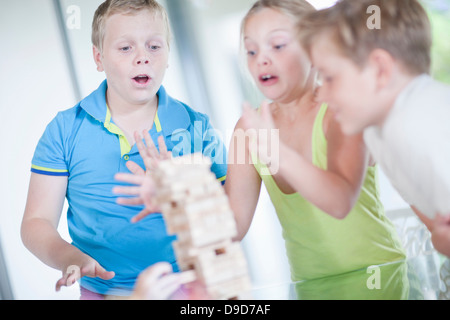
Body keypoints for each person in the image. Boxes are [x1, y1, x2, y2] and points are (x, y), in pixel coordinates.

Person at [117, 0, 406, 288]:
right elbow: (231, 230)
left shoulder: (339, 110)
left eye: (277, 45)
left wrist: (277, 152)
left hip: (381, 277)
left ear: (314, 48)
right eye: (251, 50)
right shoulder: (249, 128)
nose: (261, 60)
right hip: (309, 287)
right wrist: (174, 196)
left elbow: (340, 202)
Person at [21, 0, 227, 299]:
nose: (142, 57)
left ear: (168, 54)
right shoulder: (64, 130)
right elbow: (36, 221)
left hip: (188, 286)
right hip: (102, 291)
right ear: (98, 57)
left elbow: (228, 216)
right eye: (126, 48)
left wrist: (179, 191)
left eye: (154, 46)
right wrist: (70, 258)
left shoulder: (197, 127)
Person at [296, 0, 450, 257]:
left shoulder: (425, 120)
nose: (321, 93)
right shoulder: (378, 134)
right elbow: (437, 228)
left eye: (330, 77)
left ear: (380, 70)